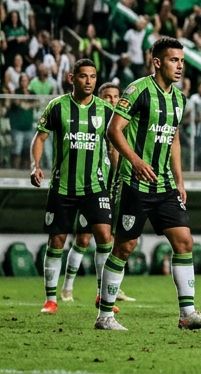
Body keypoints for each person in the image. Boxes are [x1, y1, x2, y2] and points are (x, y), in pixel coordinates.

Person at [94, 38, 201, 331]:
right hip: (134, 182)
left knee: (184, 242)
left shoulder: (179, 98)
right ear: (158, 62)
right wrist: (136, 161)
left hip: (164, 185)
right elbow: (114, 130)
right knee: (125, 247)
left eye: (182, 61)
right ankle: (104, 316)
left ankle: (187, 314)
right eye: (174, 60)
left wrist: (179, 180)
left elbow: (174, 138)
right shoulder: (137, 90)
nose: (180, 66)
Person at [29, 59, 117, 315]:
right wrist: (35, 166)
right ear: (72, 78)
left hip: (95, 186)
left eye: (92, 76)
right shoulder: (57, 107)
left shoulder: (105, 110)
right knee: (57, 240)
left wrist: (121, 172)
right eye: (83, 76)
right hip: (63, 186)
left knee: (103, 237)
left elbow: (114, 146)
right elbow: (40, 137)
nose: (88, 81)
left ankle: (102, 295)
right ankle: (51, 299)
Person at [58, 82, 133, 305]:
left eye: (115, 97)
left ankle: (108, 289)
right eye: (107, 97)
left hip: (110, 189)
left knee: (109, 239)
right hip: (89, 186)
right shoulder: (95, 120)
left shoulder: (120, 124)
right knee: (83, 238)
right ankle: (67, 287)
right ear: (100, 98)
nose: (112, 101)